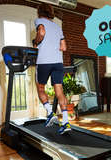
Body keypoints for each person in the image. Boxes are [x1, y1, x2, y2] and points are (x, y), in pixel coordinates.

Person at [32, 3, 70, 134]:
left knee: (40, 88)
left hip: (44, 61)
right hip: (58, 62)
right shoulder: (57, 26)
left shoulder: (39, 21)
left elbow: (41, 32)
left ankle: (50, 112)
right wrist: (52, 46)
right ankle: (65, 122)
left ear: (40, 12)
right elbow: (63, 47)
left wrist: (36, 42)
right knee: (59, 92)